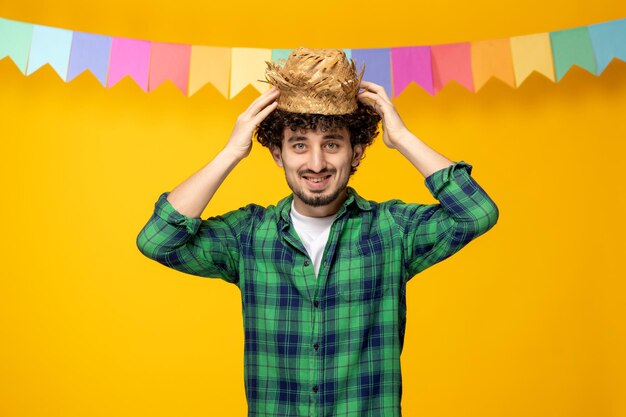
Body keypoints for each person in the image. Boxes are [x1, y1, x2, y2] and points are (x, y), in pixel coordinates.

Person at [136, 47, 499, 417]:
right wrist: (231, 151)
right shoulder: (248, 236)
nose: (316, 163)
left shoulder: (393, 230)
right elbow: (156, 239)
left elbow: (477, 213)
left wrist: (402, 137)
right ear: (278, 154)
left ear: (355, 152)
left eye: (331, 144)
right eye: (298, 145)